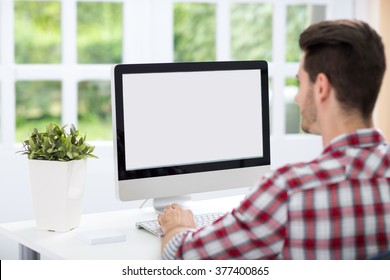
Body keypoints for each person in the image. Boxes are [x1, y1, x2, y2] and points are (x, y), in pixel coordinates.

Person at [158, 19, 390, 259]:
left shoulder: (289, 192)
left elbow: (182, 259)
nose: (298, 97)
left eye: (300, 82)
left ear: (321, 87)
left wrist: (176, 226)